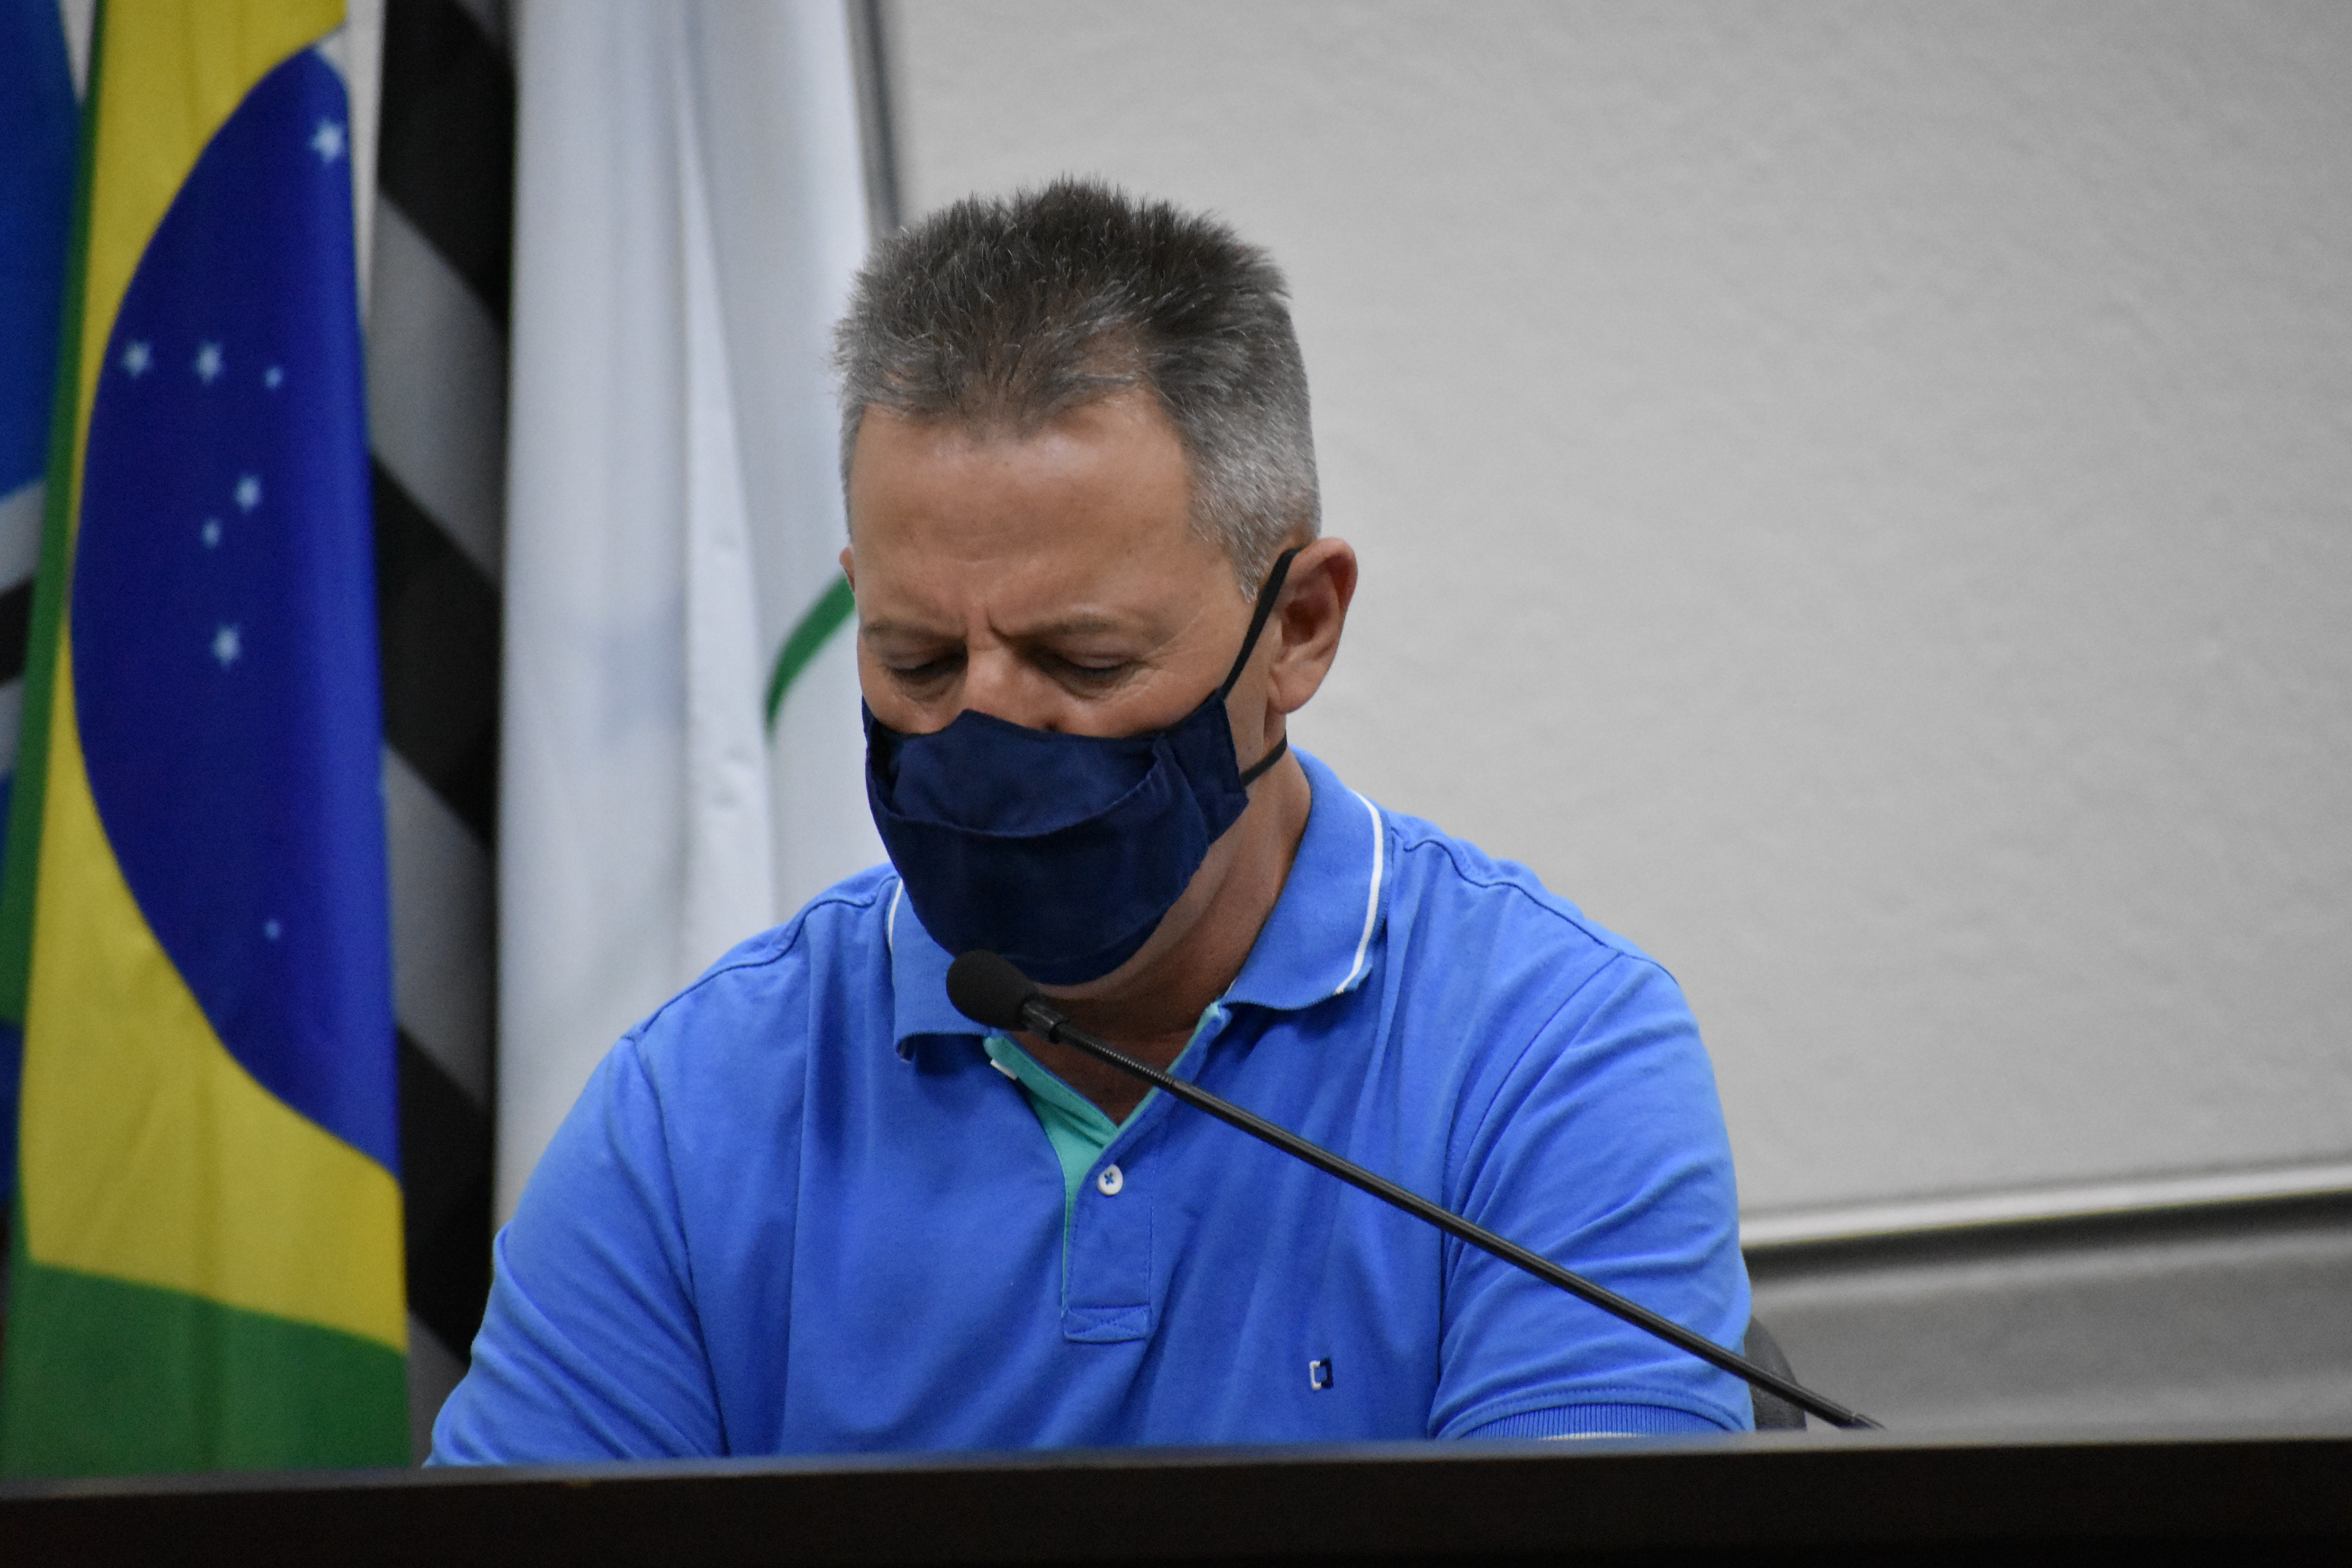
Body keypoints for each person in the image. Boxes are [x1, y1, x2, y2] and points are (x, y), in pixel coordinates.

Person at [431, 180, 1753, 1461]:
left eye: (1084, 661)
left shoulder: (1544, 1057)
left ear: (1298, 627)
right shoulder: (699, 1105)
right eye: (917, 659)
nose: (986, 732)